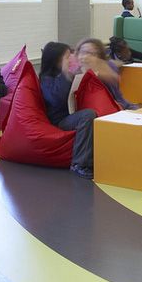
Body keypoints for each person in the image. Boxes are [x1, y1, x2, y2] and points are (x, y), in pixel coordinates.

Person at [39, 41, 96, 179]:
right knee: (88, 115)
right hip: (58, 120)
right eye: (66, 58)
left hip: (70, 114)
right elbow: (57, 99)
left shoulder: (63, 76)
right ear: (56, 60)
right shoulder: (46, 79)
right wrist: (65, 73)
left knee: (93, 112)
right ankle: (79, 164)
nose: (70, 60)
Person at [75, 37, 136, 109]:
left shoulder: (108, 66)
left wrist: (97, 70)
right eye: (83, 52)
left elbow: (114, 80)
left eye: (91, 53)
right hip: (88, 110)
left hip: (117, 106)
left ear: (99, 55)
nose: (85, 56)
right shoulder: (76, 71)